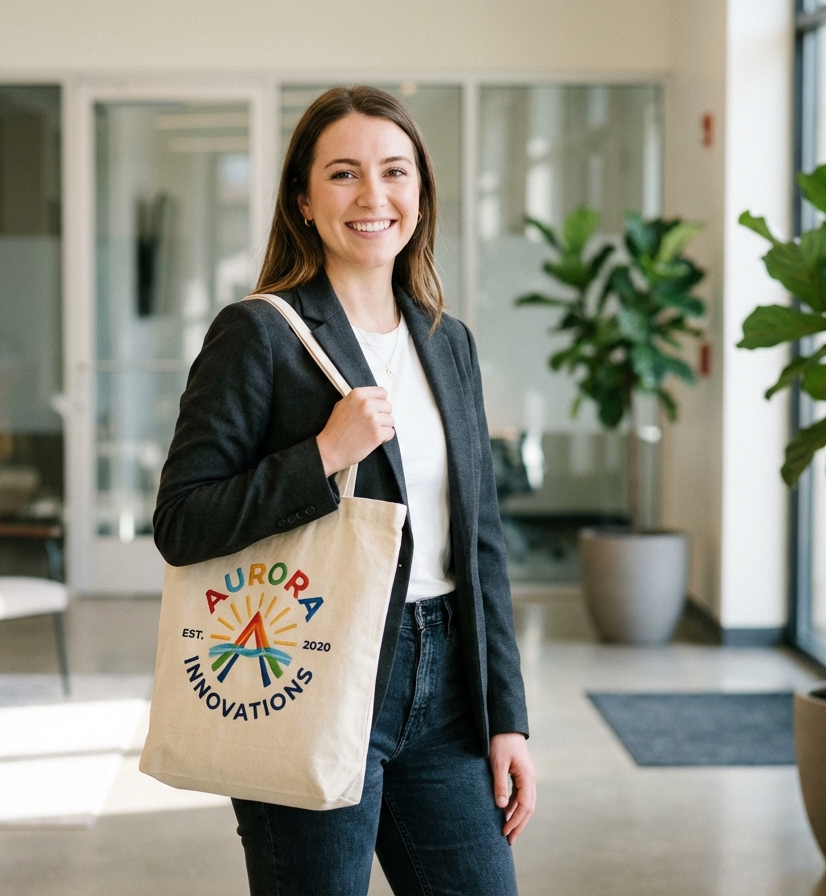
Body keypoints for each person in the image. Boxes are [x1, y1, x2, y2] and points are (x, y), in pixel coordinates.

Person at [153, 85, 536, 896]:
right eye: (343, 174)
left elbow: (482, 541)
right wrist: (324, 454)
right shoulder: (259, 334)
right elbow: (182, 521)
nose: (373, 196)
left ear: (420, 193)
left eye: (394, 171)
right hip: (312, 668)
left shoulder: (449, 343)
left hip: (447, 688)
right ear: (303, 199)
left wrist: (507, 717)